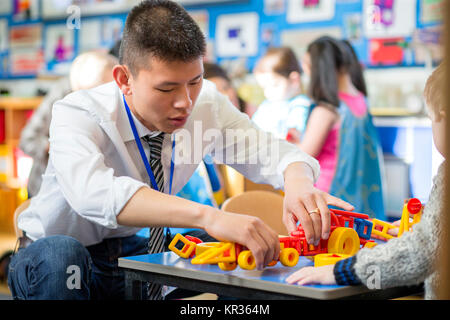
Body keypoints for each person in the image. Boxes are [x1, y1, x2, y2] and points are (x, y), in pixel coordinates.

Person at [8, 0, 353, 300]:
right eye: (166, 88)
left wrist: (298, 185)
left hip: (135, 252)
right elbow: (94, 194)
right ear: (123, 79)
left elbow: (273, 152)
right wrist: (211, 215)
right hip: (58, 259)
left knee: (242, 248)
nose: (184, 103)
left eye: (194, 81)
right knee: (60, 254)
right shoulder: (78, 112)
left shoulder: (207, 105)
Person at [286, 61, 447, 300]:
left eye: (431, 119)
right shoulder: (357, 100)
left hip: (330, 187)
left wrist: (340, 271)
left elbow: (421, 253)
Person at [287, 36, 385, 219]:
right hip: (358, 199)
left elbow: (305, 154)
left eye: (307, 67)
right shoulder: (361, 101)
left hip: (328, 196)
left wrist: (292, 144)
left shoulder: (327, 110)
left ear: (318, 70)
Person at [19, 51, 119, 198]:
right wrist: (66, 147)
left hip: (83, 190)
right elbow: (28, 139)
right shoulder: (63, 92)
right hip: (45, 191)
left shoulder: (113, 89)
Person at [252, 47, 311, 140]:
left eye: (274, 85)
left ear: (294, 80)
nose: (267, 93)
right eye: (264, 88)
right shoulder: (266, 105)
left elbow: (293, 138)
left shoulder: (300, 105)